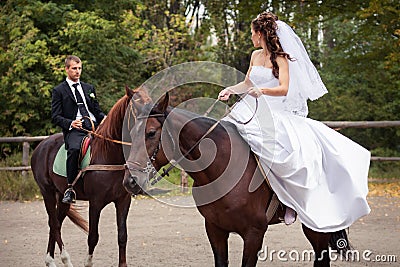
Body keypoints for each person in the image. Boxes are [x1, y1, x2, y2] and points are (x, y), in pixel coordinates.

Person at [218, 12, 370, 231]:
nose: (251, 37)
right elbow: (247, 83)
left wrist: (263, 90)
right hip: (250, 109)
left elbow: (284, 89)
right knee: (228, 139)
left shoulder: (281, 58)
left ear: (260, 33)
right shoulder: (254, 56)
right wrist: (230, 91)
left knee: (284, 155)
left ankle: (287, 202)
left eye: (252, 33)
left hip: (276, 112)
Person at [52, 55, 106, 204]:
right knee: (75, 149)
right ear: (67, 69)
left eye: (79, 68)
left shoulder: (89, 88)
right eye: (74, 68)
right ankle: (70, 188)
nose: (77, 71)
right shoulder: (59, 90)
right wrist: (71, 123)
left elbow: (96, 110)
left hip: (95, 126)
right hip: (75, 129)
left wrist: (105, 118)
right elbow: (55, 116)